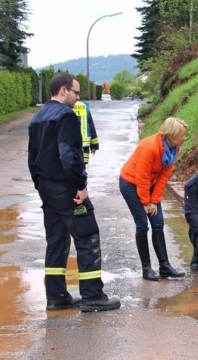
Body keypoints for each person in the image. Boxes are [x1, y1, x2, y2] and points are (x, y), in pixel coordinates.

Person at [27, 72, 120, 312]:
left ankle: (56, 296)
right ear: (63, 91)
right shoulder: (65, 116)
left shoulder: (37, 117)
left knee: (56, 241)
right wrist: (80, 185)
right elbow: (69, 156)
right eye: (76, 92)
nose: (79, 97)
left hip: (48, 189)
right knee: (87, 236)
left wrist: (41, 187)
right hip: (67, 188)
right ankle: (92, 296)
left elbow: (31, 159)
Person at [119, 117, 188, 281]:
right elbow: (141, 176)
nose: (184, 138)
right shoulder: (150, 147)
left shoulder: (174, 148)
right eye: (181, 135)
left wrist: (155, 200)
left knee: (158, 224)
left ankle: (164, 266)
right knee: (142, 225)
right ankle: (146, 269)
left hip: (150, 183)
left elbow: (164, 176)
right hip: (130, 183)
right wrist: (145, 202)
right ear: (170, 135)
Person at [73, 100, 99, 169]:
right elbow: (91, 126)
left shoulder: (65, 105)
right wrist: (94, 145)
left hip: (69, 145)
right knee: (82, 168)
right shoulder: (84, 106)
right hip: (84, 146)